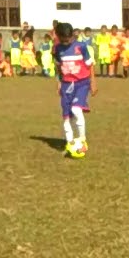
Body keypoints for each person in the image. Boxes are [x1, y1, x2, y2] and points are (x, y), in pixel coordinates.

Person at [54, 22, 97, 157]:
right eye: (63, 39)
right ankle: (70, 143)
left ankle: (82, 141)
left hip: (81, 83)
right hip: (67, 84)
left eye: (69, 39)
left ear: (72, 35)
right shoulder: (57, 49)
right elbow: (58, 67)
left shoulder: (82, 47)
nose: (66, 42)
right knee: (67, 117)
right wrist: (59, 82)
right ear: (58, 37)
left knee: (76, 109)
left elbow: (90, 65)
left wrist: (93, 82)